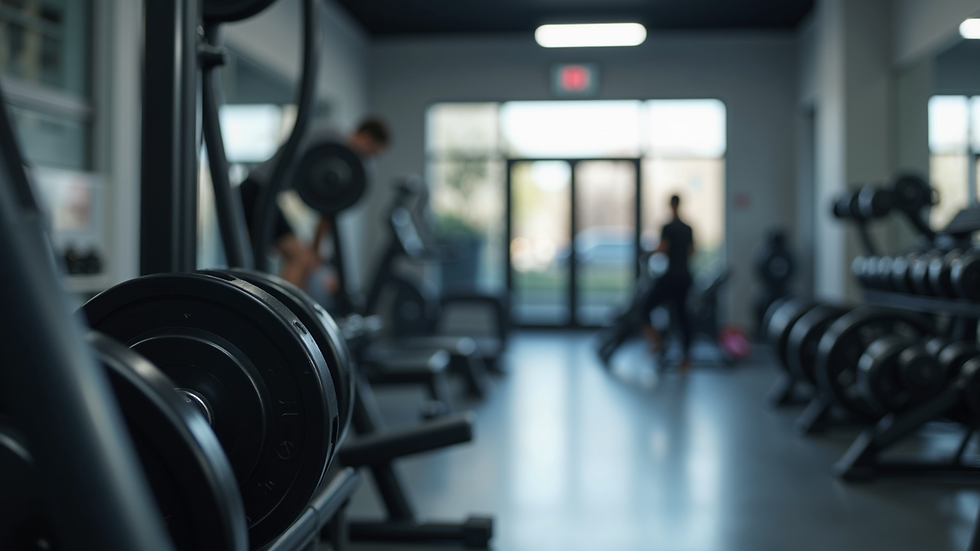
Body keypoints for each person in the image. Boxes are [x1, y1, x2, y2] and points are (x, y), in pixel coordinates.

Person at [238, 117, 390, 287]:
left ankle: (276, 308)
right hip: (255, 193)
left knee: (298, 261)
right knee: (299, 260)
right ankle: (278, 310)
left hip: (265, 196)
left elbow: (327, 211)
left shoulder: (337, 156)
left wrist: (315, 251)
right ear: (365, 137)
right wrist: (312, 254)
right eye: (370, 152)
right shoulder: (331, 140)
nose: (365, 159)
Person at [640, 194, 695, 371]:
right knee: (682, 317)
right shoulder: (688, 228)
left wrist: (648, 252)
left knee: (645, 307)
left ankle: (656, 341)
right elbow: (692, 252)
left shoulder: (668, 227)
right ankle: (685, 358)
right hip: (685, 277)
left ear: (670, 205)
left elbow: (662, 249)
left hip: (671, 276)